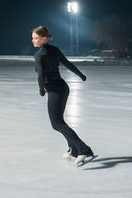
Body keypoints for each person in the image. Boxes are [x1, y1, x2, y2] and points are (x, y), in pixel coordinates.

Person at [32, 25, 94, 165]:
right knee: (60, 121)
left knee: (56, 124)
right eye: (32, 38)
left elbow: (41, 75)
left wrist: (41, 90)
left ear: (44, 38)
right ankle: (73, 150)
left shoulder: (39, 55)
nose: (33, 41)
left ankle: (84, 149)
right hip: (62, 88)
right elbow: (68, 64)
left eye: (35, 38)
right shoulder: (54, 50)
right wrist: (81, 75)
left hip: (54, 89)